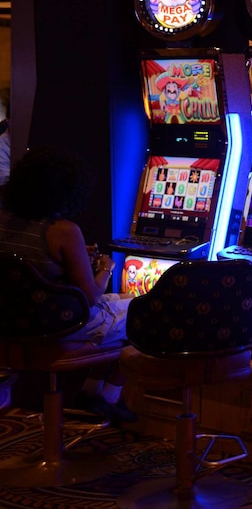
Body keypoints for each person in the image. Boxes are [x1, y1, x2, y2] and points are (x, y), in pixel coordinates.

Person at [0, 146, 136, 423]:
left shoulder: (4, 222)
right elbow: (89, 297)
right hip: (57, 328)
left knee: (124, 298)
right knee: (142, 309)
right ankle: (108, 396)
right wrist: (105, 269)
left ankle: (91, 392)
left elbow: (30, 269)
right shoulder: (63, 231)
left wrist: (72, 259)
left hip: (11, 324)